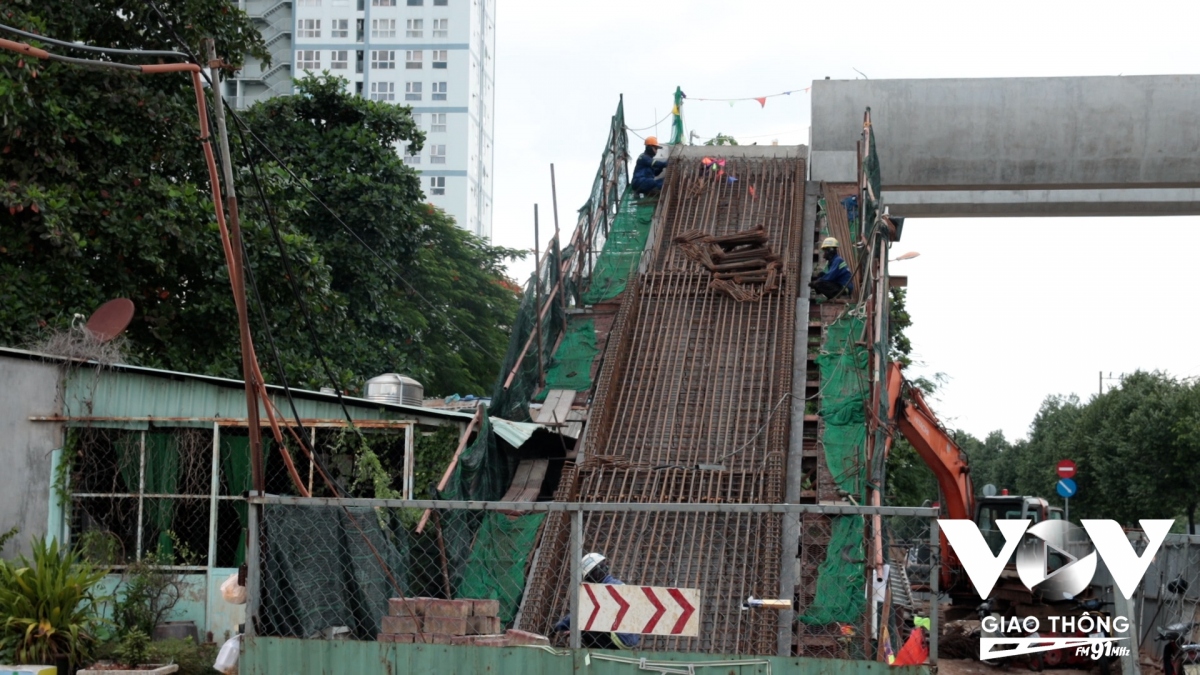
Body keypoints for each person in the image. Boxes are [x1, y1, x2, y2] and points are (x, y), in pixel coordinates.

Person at [553, 552, 640, 650]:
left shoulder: (601, 591)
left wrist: (557, 627)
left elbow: (580, 613)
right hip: (631, 638)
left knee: (585, 624)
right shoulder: (618, 584)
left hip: (619, 639)